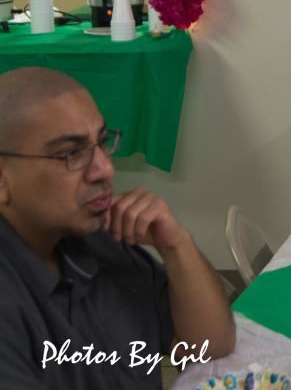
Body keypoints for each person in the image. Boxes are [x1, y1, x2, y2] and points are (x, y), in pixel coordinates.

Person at [0, 68, 236, 389]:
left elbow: (208, 347)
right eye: (71, 153)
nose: (105, 169)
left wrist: (176, 245)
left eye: (102, 142)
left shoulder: (98, 238)